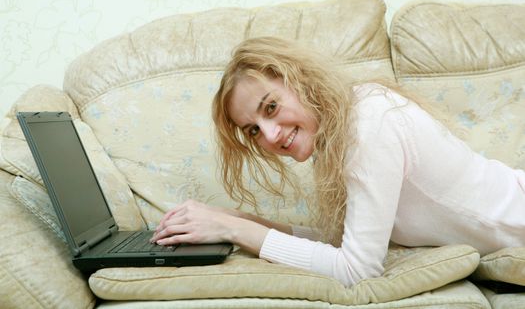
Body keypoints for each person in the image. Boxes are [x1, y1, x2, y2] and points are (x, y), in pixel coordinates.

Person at [150, 36, 525, 287]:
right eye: (253, 130)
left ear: (301, 82)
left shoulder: (369, 124)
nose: (271, 135)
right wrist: (239, 219)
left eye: (271, 107)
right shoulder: (339, 133)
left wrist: (234, 232)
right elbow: (345, 244)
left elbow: (357, 269)